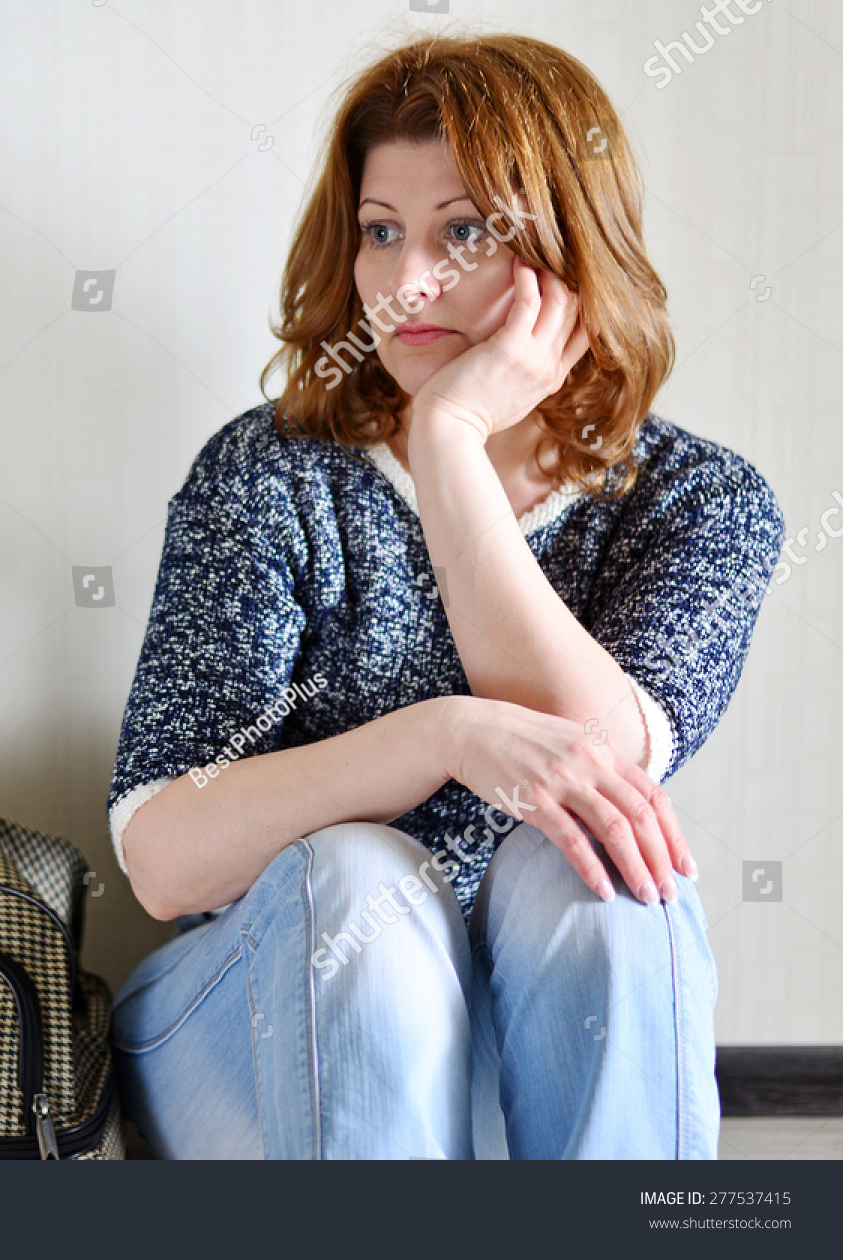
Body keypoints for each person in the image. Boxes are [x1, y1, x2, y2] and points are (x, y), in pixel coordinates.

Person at [105, 33, 784, 1160]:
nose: (405, 283)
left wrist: (452, 440)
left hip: (521, 1068)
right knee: (358, 870)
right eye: (382, 232)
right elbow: (168, 865)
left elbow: (594, 760)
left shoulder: (699, 502)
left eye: (462, 232)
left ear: (570, 247)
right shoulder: (268, 476)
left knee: (605, 875)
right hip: (264, 1039)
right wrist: (444, 736)